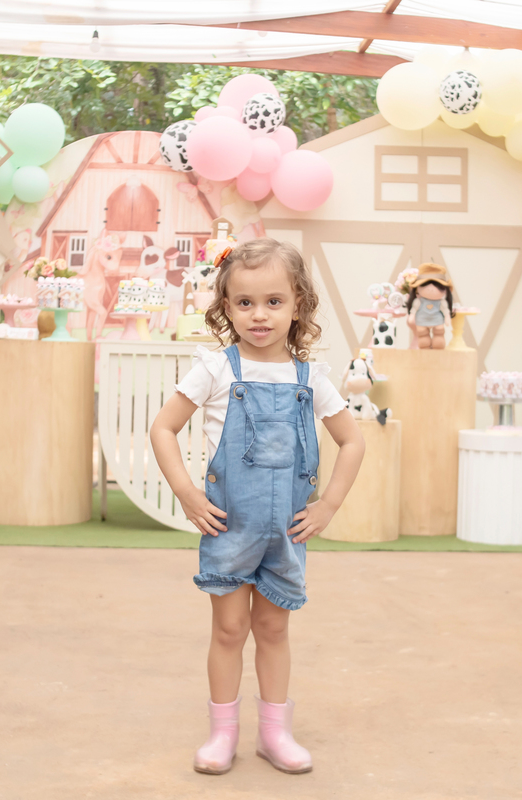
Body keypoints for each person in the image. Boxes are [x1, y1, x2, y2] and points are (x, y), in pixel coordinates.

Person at [150, 237, 365, 775]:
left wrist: (328, 506)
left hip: (287, 532)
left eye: (274, 301)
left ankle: (275, 733)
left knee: (273, 629)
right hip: (231, 528)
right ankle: (223, 734)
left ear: (298, 305)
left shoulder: (309, 379)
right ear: (226, 307)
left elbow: (353, 442)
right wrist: (187, 493)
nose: (260, 315)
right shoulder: (216, 370)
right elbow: (163, 428)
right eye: (244, 303)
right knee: (228, 631)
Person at [406, 262, 455, 349]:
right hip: (421, 321)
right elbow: (413, 310)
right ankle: (425, 346)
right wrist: (411, 316)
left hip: (437, 321)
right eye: (426, 284)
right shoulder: (418, 301)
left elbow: (445, 311)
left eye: (436, 285)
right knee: (423, 337)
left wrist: (447, 317)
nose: (431, 289)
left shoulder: (441, 302)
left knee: (439, 335)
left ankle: (438, 343)